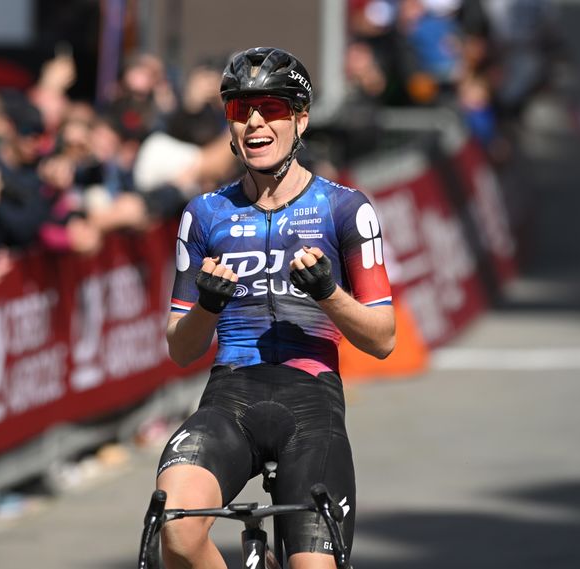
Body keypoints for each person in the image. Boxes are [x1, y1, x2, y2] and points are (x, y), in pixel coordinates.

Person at [155, 47, 396, 569]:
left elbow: (383, 339)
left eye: (272, 108)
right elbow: (180, 348)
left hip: (311, 403)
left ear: (301, 119)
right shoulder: (204, 214)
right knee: (172, 528)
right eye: (242, 111)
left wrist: (329, 294)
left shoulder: (344, 209)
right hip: (230, 396)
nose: (256, 122)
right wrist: (208, 308)